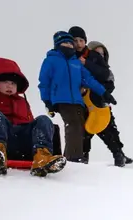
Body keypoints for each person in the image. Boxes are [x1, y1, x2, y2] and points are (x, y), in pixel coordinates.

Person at [38, 31, 113, 162]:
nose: (68, 45)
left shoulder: (76, 63)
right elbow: (44, 82)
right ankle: (74, 159)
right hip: (61, 99)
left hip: (77, 100)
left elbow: (89, 80)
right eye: (64, 43)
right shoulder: (51, 60)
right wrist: (47, 100)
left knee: (80, 127)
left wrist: (104, 93)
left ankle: (69, 157)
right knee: (73, 125)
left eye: (69, 43)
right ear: (57, 45)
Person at [78, 37, 132, 166]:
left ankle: (119, 154)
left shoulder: (105, 71)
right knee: (84, 132)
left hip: (101, 104)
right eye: (97, 52)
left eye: (102, 53)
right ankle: (83, 157)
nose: (100, 55)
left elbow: (110, 85)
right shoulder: (83, 64)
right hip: (85, 104)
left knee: (110, 130)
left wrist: (102, 93)